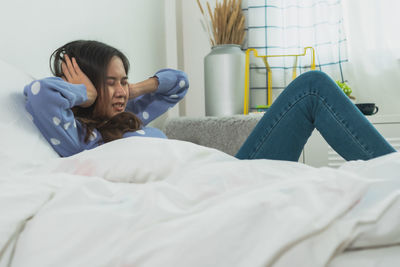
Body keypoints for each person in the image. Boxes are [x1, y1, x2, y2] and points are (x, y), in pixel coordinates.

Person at [24, 40, 396, 161]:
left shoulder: (126, 116)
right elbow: (40, 96)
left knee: (312, 85)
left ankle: (389, 171)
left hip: (227, 174)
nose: (121, 90)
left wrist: (129, 89)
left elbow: (178, 83)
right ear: (84, 86)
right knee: (312, 88)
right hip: (227, 188)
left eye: (123, 80)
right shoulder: (80, 140)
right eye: (111, 83)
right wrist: (86, 93)